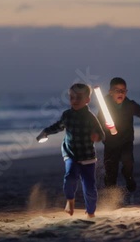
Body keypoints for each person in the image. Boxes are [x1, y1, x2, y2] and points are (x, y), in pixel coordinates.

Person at [36, 83, 105, 218]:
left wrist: (97, 136)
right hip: (71, 153)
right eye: (72, 97)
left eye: (79, 98)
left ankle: (91, 212)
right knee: (70, 178)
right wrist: (46, 132)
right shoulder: (67, 115)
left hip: (88, 157)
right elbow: (58, 126)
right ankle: (70, 201)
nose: (74, 101)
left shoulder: (91, 117)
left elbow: (102, 134)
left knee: (90, 187)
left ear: (87, 100)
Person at [97, 77, 140, 193]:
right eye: (117, 90)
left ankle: (129, 177)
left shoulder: (129, 105)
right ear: (110, 92)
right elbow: (98, 121)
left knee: (128, 162)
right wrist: (97, 133)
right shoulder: (104, 106)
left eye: (123, 90)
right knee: (110, 168)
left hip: (126, 140)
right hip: (110, 142)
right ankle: (111, 190)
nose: (120, 93)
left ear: (126, 92)